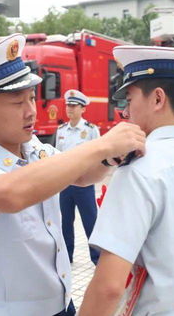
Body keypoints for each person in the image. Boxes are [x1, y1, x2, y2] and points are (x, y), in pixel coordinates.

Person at [0, 33, 145, 315]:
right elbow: (10, 195)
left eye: (32, 99)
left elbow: (81, 176)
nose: (31, 112)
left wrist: (109, 156)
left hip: (62, 303)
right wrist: (101, 144)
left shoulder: (33, 148)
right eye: (17, 102)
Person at [79, 45, 174, 316]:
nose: (126, 113)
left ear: (158, 99)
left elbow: (109, 287)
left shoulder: (138, 171)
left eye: (130, 100)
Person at [56, 89, 101, 265]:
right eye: (68, 105)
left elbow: (99, 155)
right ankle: (67, 257)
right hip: (65, 185)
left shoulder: (91, 130)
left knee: (90, 222)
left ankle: (97, 259)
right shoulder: (61, 130)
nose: (69, 109)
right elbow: (57, 156)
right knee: (65, 223)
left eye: (74, 106)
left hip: (84, 185)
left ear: (83, 109)